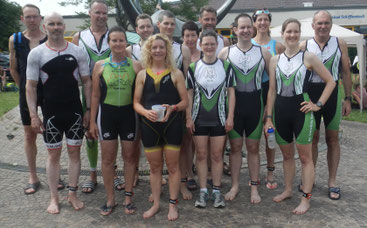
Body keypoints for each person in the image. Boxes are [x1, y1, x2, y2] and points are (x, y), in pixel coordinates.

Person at [264, 18, 335, 214]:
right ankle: (288, 190)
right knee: (287, 156)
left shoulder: (309, 57)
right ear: (283, 34)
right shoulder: (274, 60)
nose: (292, 35)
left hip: (301, 112)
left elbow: (330, 81)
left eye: (296, 32)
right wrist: (268, 117)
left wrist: (317, 104)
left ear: (299, 34)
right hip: (280, 111)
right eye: (289, 32)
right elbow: (271, 90)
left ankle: (306, 198)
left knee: (305, 158)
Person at [26, 12, 92, 214]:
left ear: (65, 27)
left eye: (59, 24)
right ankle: (54, 197)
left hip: (74, 112)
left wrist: (88, 109)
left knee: (74, 153)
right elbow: (31, 86)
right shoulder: (36, 53)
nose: (56, 27)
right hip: (51, 113)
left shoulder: (77, 51)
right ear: (45, 27)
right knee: (53, 156)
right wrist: (34, 116)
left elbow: (87, 82)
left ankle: (72, 194)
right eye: (51, 24)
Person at [8, 4, 65, 194]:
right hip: (28, 92)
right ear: (22, 19)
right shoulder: (15, 40)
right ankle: (33, 175)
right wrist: (24, 89)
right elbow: (14, 68)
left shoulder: (49, 38)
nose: (32, 20)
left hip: (50, 92)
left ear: (41, 19)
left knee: (53, 133)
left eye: (35, 16)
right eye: (28, 17)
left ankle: (54, 173)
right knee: (29, 134)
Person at [133, 34, 188, 221]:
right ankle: (156, 204)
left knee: (173, 167)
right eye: (154, 47)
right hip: (149, 126)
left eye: (161, 47)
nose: (157, 50)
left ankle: (173, 204)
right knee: (154, 168)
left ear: (167, 51)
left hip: (172, 125)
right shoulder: (142, 74)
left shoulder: (176, 73)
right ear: (149, 50)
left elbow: (185, 101)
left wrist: (173, 108)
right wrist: (144, 112)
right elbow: (136, 103)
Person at [89, 26, 143, 216]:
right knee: (108, 159)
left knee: (129, 157)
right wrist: (92, 122)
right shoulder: (99, 65)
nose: (118, 43)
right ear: (109, 43)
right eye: (114, 40)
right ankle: (110, 198)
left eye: (121, 40)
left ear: (126, 43)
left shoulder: (136, 65)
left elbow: (142, 95)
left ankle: (128, 197)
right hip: (107, 116)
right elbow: (95, 95)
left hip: (129, 116)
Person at [72, 0, 124, 193]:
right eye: (97, 12)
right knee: (90, 133)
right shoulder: (79, 36)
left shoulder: (115, 36)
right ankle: (93, 174)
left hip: (112, 92)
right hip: (88, 91)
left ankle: (114, 171)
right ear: (90, 13)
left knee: (113, 133)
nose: (101, 16)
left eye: (104, 13)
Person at [218, 13, 271, 203]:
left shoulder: (264, 53)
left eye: (249, 27)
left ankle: (254, 187)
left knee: (253, 147)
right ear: (235, 30)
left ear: (253, 28)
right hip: (233, 104)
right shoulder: (225, 53)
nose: (246, 30)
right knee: (235, 147)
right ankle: (234, 185)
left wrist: (269, 111)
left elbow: (272, 86)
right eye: (242, 27)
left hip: (255, 104)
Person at [299, 10, 352, 200]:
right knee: (311, 139)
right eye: (319, 23)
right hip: (311, 94)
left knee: (332, 139)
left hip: (333, 95)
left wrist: (347, 98)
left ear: (331, 25)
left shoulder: (340, 43)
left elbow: (345, 72)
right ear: (313, 25)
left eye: (326, 23)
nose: (322, 26)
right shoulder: (304, 45)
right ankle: (309, 179)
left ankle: (332, 181)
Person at [187, 30, 235, 209]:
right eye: (205, 44)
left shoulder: (225, 66)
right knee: (200, 155)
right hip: (198, 119)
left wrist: (230, 116)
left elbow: (231, 92)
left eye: (212, 44)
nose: (208, 47)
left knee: (216, 156)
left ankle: (216, 191)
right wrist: (188, 117)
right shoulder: (193, 67)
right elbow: (189, 94)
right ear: (200, 45)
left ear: (217, 45)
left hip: (220, 118)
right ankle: (202, 190)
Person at [252, 8, 285, 190]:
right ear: (254, 23)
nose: (262, 23)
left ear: (269, 22)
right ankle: (255, 173)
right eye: (259, 20)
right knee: (254, 135)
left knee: (270, 133)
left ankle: (270, 171)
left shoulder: (277, 46)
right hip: (253, 92)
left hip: (271, 90)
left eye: (265, 20)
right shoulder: (247, 42)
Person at [126, 13, 155, 188]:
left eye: (148, 26)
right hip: (136, 100)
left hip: (154, 99)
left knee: (155, 140)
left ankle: (155, 171)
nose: (145, 29)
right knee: (136, 140)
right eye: (142, 27)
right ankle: (134, 171)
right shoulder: (130, 51)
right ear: (137, 30)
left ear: (153, 27)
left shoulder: (159, 47)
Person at [178, 21, 201, 197]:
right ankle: (188, 174)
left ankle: (198, 170)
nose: (190, 38)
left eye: (193, 35)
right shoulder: (178, 54)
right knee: (185, 141)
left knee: (197, 141)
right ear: (182, 37)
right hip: (184, 102)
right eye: (187, 35)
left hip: (202, 104)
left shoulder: (204, 54)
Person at [157, 10, 191, 76]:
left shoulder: (183, 50)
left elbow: (187, 79)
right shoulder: (150, 47)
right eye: (166, 23)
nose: (169, 27)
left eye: (172, 24)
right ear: (158, 24)